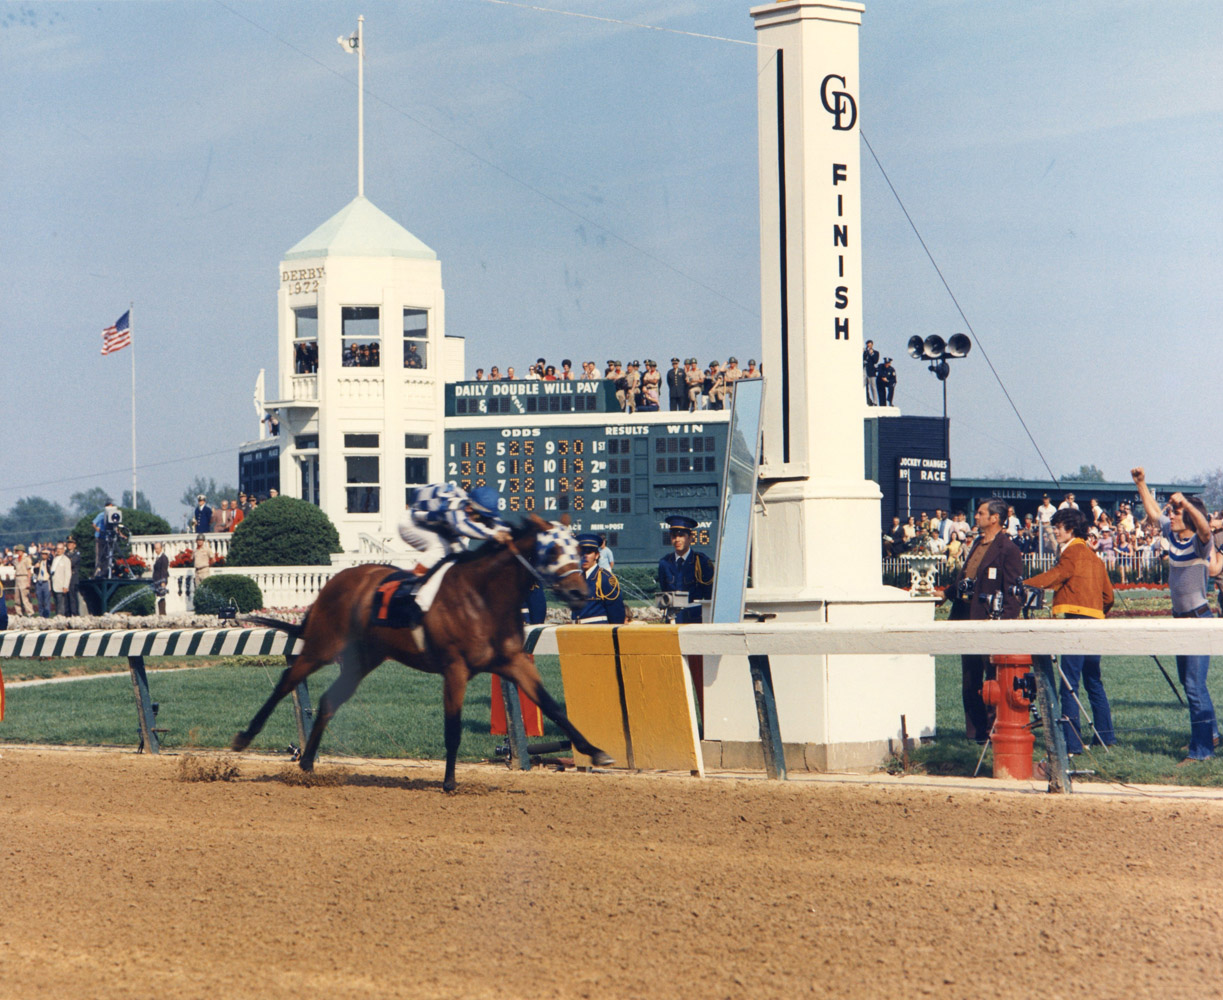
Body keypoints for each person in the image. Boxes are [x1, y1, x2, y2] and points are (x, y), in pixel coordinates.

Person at [1132, 467, 1218, 762]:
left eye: (1176, 513)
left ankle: (1202, 750)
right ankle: (1211, 734)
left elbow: (1206, 529)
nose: (1171, 516)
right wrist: (1141, 483)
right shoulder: (1173, 534)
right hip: (1180, 620)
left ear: (1191, 517)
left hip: (1198, 619)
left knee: (1194, 687)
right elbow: (1154, 512)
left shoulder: (1200, 542)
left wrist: (1188, 504)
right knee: (1190, 683)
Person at [1023, 508, 1116, 754]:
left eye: (1058, 527)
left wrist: (1025, 584)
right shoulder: (1093, 556)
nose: (1055, 531)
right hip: (1095, 622)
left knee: (1069, 683)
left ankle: (1072, 744)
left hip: (1075, 623)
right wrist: (1096, 610)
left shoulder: (1071, 552)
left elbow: (1058, 575)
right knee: (1093, 681)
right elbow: (1109, 596)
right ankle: (1106, 737)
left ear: (1070, 529)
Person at [943, 499, 1024, 743]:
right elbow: (966, 579)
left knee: (991, 681)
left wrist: (1002, 624)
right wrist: (946, 595)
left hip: (990, 623)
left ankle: (993, 731)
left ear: (994, 519)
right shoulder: (978, 543)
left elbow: (1014, 593)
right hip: (967, 619)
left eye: (980, 513)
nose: (975, 517)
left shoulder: (1008, 549)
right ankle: (974, 733)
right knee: (969, 678)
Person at [397, 483, 511, 571]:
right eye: (481, 518)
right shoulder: (453, 506)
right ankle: (415, 582)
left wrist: (505, 531)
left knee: (463, 556)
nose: (483, 522)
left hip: (437, 528)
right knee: (440, 548)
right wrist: (493, 534)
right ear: (469, 508)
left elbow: (495, 521)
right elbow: (462, 526)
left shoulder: (471, 505)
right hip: (411, 524)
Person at [657, 515, 715, 624]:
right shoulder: (664, 563)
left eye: (681, 535)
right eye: (674, 536)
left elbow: (709, 596)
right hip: (672, 620)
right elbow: (665, 590)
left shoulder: (701, 562)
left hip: (695, 620)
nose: (677, 540)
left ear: (690, 538)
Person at [573, 533, 625, 624]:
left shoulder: (605, 578)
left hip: (598, 632)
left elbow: (617, 615)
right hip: (577, 633)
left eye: (588, 552)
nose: (584, 556)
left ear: (596, 555)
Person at [11, 543, 34, 616]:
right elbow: (15, 568)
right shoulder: (16, 560)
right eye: (17, 551)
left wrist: (28, 582)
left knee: (25, 598)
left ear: (23, 551)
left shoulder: (27, 559)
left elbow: (29, 571)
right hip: (18, 578)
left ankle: (30, 613)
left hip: (24, 577)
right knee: (17, 598)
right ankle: (19, 613)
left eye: (19, 550)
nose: (18, 552)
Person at [51, 542, 72, 617]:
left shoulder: (66, 560)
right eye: (58, 549)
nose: (59, 550)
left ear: (63, 550)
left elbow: (68, 574)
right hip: (54, 585)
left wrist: (65, 585)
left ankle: (61, 619)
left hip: (61, 586)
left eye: (60, 549)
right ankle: (58, 618)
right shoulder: (55, 559)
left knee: (61, 606)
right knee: (57, 605)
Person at [152, 541, 170, 616]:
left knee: (162, 596)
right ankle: (160, 613)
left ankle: (163, 613)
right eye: (155, 548)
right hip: (156, 580)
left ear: (161, 548)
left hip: (161, 580)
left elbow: (164, 571)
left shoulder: (164, 558)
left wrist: (163, 582)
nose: (156, 550)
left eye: (158, 548)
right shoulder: (158, 557)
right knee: (159, 597)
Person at [65, 536, 81, 615]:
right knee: (66, 598)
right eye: (68, 543)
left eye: (71, 543)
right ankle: (67, 614)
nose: (69, 545)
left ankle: (75, 614)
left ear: (74, 545)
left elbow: (70, 563)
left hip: (73, 577)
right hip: (66, 578)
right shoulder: (65, 554)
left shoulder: (76, 554)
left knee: (73, 597)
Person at [863, 339, 880, 405]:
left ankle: (875, 401)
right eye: (867, 344)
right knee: (864, 386)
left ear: (872, 345)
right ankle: (867, 400)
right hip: (865, 371)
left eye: (870, 344)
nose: (868, 346)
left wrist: (871, 353)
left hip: (871, 371)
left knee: (873, 387)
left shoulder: (876, 352)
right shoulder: (865, 352)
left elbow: (875, 360)